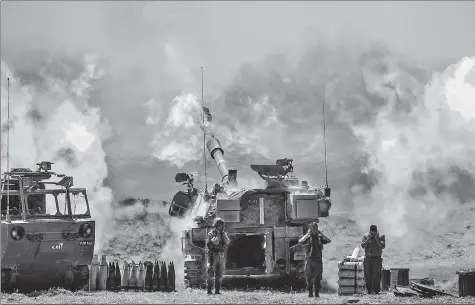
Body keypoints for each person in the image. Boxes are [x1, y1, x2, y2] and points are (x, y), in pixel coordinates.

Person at [298, 221, 331, 298]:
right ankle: (310, 293)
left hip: (318, 259)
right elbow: (300, 241)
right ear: (310, 229)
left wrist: (321, 234)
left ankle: (316, 294)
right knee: (308, 277)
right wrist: (307, 234)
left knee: (317, 277)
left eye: (315, 228)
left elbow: (329, 240)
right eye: (312, 229)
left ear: (317, 229)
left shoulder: (319, 237)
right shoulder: (308, 237)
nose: (314, 230)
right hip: (309, 259)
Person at [207, 217, 230, 295]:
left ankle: (217, 291)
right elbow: (216, 242)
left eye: (222, 225)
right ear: (216, 225)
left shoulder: (223, 233)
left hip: (221, 255)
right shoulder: (211, 233)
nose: (221, 227)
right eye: (219, 225)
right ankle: (209, 290)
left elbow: (227, 242)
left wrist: (222, 234)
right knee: (211, 273)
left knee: (219, 274)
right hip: (213, 255)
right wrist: (218, 234)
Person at [361, 224, 386, 295]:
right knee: (368, 275)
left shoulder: (381, 236)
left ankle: (377, 291)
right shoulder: (366, 236)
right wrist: (368, 239)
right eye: (372, 232)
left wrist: (376, 239)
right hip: (368, 259)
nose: (373, 234)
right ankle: (368, 291)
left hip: (377, 258)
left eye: (374, 232)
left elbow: (382, 246)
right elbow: (363, 245)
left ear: (376, 231)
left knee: (377, 275)